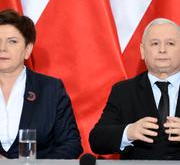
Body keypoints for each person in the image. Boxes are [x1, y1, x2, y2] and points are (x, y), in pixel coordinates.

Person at [89, 18, 180, 160]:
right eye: (155, 43)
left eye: (170, 43)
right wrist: (128, 132)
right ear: (142, 51)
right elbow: (97, 140)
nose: (162, 50)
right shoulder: (123, 91)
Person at [0, 9, 83, 159]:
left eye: (12, 41)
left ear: (27, 49)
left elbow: (71, 144)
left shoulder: (50, 89)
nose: (2, 48)